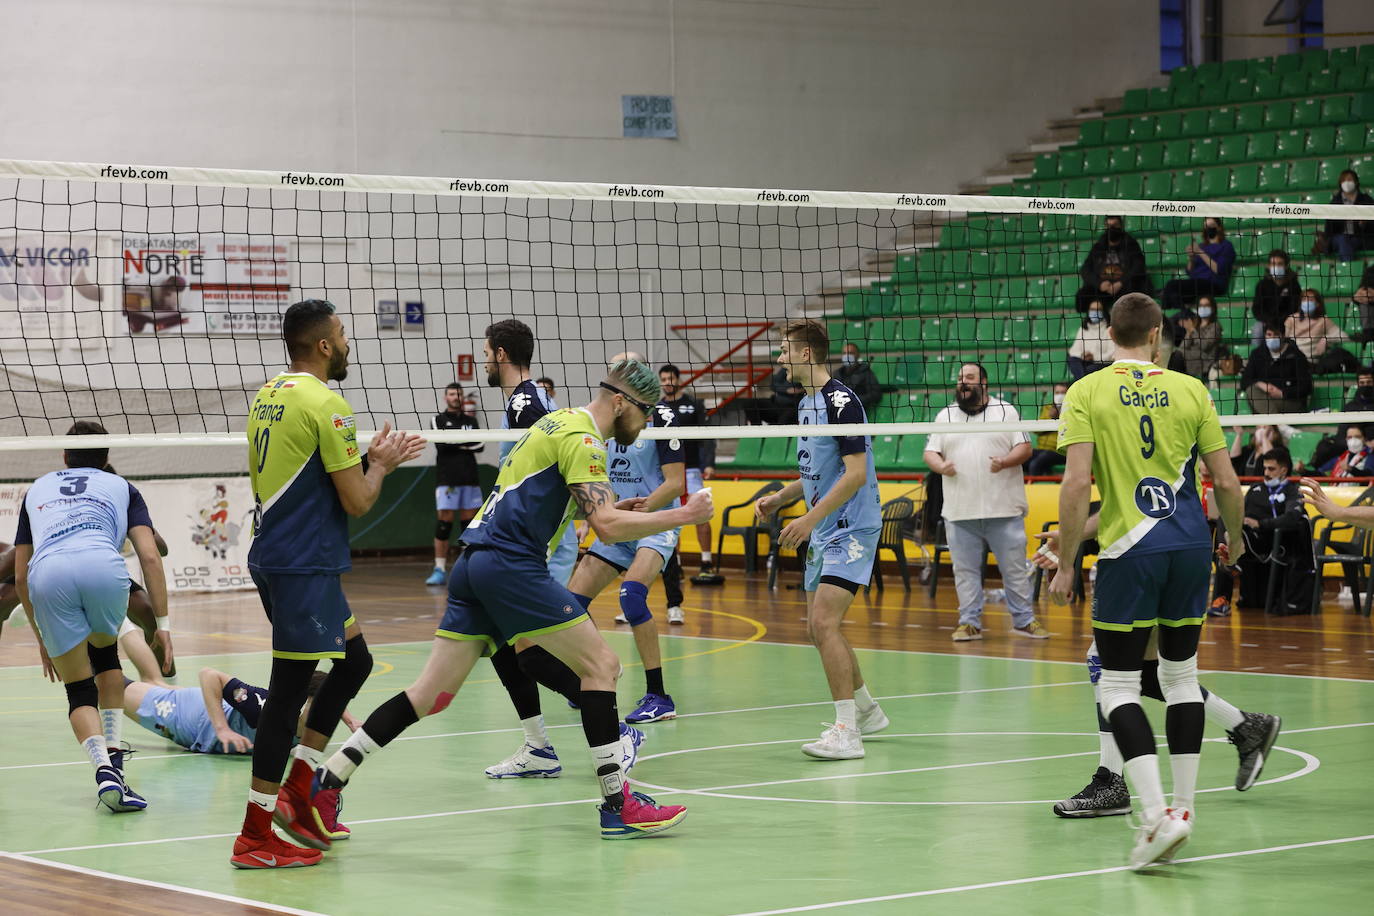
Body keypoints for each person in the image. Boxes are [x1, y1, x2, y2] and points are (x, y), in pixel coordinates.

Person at [317, 359, 713, 841]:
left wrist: (616, 508)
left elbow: (563, 501)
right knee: (602, 667)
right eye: (645, 412)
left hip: (474, 562)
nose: (646, 423)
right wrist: (685, 516)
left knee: (430, 695)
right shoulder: (585, 438)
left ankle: (327, 781)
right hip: (510, 565)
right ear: (621, 403)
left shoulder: (557, 422)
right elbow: (605, 527)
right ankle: (618, 803)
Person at [1049, 291, 1246, 870]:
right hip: (1189, 546)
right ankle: (1183, 813)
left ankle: (1156, 817)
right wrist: (1232, 540)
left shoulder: (1086, 390)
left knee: (1117, 687)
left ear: (1110, 334)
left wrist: (1065, 561)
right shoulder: (1191, 388)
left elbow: (1076, 482)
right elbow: (1228, 484)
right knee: (1181, 679)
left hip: (1130, 550)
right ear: (1157, 334)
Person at [232, 299, 426, 869]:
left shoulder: (268, 394)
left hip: (282, 555)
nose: (346, 344)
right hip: (302, 565)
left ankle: (299, 785)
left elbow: (308, 471)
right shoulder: (329, 403)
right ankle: (254, 835)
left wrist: (365, 456)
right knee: (286, 696)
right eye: (342, 334)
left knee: (356, 660)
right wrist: (383, 465)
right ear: (322, 345)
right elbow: (360, 500)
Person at [1032, 518, 1281, 816]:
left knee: (1111, 662)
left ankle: (1112, 783)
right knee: (1154, 671)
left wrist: (1069, 540)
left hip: (1145, 551)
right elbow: (1220, 485)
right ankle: (1245, 726)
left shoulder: (1136, 472)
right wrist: (1232, 538)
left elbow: (1129, 504)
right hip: (1183, 547)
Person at [12, 421, 172, 813]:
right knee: (106, 658)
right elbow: (151, 556)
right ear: (107, 458)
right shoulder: (123, 488)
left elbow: (19, 575)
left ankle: (103, 770)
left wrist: (42, 639)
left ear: (65, 457)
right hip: (103, 567)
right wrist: (164, 626)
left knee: (78, 689)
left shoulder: (37, 489)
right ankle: (115, 763)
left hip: (48, 575)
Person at [754, 320, 888, 759]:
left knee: (822, 624)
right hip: (827, 526)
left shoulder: (840, 402)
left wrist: (808, 519)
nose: (779, 358)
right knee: (819, 628)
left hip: (851, 527)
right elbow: (816, 472)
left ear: (807, 354)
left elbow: (856, 473)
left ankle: (847, 731)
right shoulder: (807, 403)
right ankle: (867, 709)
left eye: (785, 351)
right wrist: (781, 498)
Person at [479, 320, 606, 780]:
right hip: (522, 541)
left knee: (526, 649)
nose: (484, 360)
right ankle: (538, 747)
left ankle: (606, 721)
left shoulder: (528, 403)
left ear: (499, 354)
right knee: (500, 643)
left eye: (486, 352)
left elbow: (552, 470)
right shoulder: (520, 402)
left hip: (540, 544)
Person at [568, 352, 685, 724]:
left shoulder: (660, 417)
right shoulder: (601, 421)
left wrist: (644, 510)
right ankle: (598, 672)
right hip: (618, 520)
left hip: (655, 521)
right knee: (571, 601)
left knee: (632, 595)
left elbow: (676, 483)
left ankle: (659, 696)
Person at [923, 363, 1049, 642]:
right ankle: (969, 623)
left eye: (969, 378)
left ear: (984, 383)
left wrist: (1004, 461)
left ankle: (1024, 620)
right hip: (959, 510)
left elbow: (1025, 448)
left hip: (1003, 508)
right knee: (965, 572)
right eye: (959, 379)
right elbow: (931, 452)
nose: (963, 383)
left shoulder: (1005, 410)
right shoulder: (945, 415)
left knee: (1014, 569)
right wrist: (941, 466)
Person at [1211, 447, 1314, 614]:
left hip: (1269, 541)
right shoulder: (1256, 489)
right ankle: (1221, 599)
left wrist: (1260, 524)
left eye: (1271, 469)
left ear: (1283, 470)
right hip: (1245, 536)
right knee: (1224, 520)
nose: (1266, 472)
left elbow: (1292, 519)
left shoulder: (1292, 491)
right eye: (1264, 468)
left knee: (1230, 546)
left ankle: (1232, 557)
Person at [657, 363, 719, 595]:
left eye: (669, 378)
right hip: (667, 472)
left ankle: (705, 562)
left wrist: (709, 463)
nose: (666, 383)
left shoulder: (693, 404)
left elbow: (708, 436)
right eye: (662, 379)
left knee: (701, 516)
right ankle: (676, 564)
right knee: (672, 518)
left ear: (678, 379)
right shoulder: (658, 406)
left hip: (691, 469)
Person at [427, 383, 484, 586]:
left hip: (469, 477)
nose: (456, 397)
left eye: (458, 393)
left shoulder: (471, 420)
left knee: (468, 525)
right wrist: (464, 442)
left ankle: (466, 568)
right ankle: (439, 568)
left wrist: (455, 442)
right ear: (446, 397)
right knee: (444, 523)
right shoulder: (437, 420)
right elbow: (441, 444)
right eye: (452, 394)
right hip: (447, 479)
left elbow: (480, 445)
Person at [1075, 215, 1153, 313]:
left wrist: (1120, 282)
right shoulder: (1099, 246)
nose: (1111, 228)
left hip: (1124, 286)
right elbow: (1085, 270)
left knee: (1137, 289)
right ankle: (1089, 325)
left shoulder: (1130, 244)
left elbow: (1138, 267)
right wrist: (1100, 284)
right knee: (1082, 296)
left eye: (1115, 225)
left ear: (1121, 226)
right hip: (1104, 287)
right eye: (1108, 225)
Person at [1161, 217, 1236, 311]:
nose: (1208, 228)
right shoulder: (1201, 246)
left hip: (1213, 285)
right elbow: (1190, 272)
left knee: (1171, 286)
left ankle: (1184, 316)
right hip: (1196, 285)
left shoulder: (1226, 246)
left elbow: (1219, 269)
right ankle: (1179, 316)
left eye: (1211, 225)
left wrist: (1200, 252)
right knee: (1170, 293)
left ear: (1219, 227)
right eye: (1206, 226)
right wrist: (1191, 258)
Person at [1284, 289, 1357, 375]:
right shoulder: (1291, 319)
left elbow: (1344, 337)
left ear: (1318, 304)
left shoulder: (1323, 321)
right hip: (1293, 360)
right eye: (1304, 299)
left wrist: (1326, 339)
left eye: (1310, 300)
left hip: (1311, 363)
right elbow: (1286, 342)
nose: (1306, 302)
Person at [1241, 327, 1312, 414]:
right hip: (1265, 399)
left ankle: (1270, 424)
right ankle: (1279, 426)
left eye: (1276, 335)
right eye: (1269, 335)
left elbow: (1307, 387)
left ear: (1283, 336)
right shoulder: (1257, 354)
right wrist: (1260, 384)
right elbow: (1244, 382)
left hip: (1291, 402)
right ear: (1265, 336)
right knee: (1252, 391)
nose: (1272, 338)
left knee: (1258, 403)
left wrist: (1282, 393)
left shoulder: (1296, 355)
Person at [1250, 250, 1303, 349]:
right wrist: (1269, 321)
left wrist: (1280, 321)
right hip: (1267, 321)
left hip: (1287, 322)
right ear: (1269, 266)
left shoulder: (1294, 285)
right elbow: (1257, 309)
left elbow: (1294, 308)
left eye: (1280, 264)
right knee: (1257, 330)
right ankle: (1255, 359)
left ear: (1286, 266)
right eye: (1273, 264)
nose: (1276, 267)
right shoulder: (1262, 285)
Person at [1318, 169, 1374, 262]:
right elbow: (1329, 228)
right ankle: (1349, 270)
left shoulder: (1366, 200)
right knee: (1343, 239)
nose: (1346, 182)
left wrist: (1364, 224)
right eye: (1343, 180)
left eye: (1349, 180)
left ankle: (1347, 271)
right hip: (1338, 239)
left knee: (1346, 243)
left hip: (1359, 238)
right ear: (1340, 183)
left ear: (1356, 182)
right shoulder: (1335, 202)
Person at [1067, 298, 1117, 380]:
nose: (1095, 312)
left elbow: (1112, 354)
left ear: (1103, 311)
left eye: (1098, 310)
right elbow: (1073, 351)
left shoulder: (1109, 329)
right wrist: (1083, 355)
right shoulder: (1083, 328)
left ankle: (1082, 384)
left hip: (1102, 364)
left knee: (1090, 369)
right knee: (1072, 359)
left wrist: (1094, 357)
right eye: (1092, 309)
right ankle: (1083, 382)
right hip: (1084, 362)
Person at [1026, 383, 1069, 477]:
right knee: (1022, 459)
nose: (1060, 395)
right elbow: (1036, 430)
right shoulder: (1048, 408)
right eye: (1057, 393)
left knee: (1035, 464)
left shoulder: (1071, 409)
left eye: (1063, 393)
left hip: (1059, 451)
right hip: (1042, 448)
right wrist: (1050, 418)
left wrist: (1060, 418)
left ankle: (1037, 490)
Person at [1176, 297, 1222, 380]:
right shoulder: (1195, 325)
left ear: (1213, 308)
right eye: (1201, 305)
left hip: (1205, 360)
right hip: (1191, 357)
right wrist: (1189, 332)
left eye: (1206, 305)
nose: (1203, 308)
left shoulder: (1215, 327)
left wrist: (1193, 330)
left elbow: (1204, 346)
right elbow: (1182, 347)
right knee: (1176, 354)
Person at [833, 342, 882, 414]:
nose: (847, 356)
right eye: (844, 353)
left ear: (858, 355)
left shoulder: (866, 372)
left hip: (859, 412)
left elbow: (875, 394)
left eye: (850, 353)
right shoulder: (837, 374)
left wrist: (855, 400)